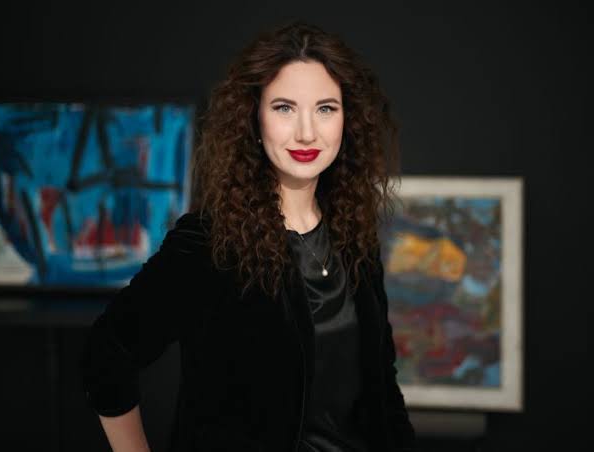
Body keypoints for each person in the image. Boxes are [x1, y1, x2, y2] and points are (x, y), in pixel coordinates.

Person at [80, 21, 416, 452]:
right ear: (254, 119)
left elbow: (383, 389)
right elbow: (107, 353)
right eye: (284, 108)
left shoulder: (354, 235)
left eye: (326, 108)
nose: (307, 132)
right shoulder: (209, 243)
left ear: (346, 121)